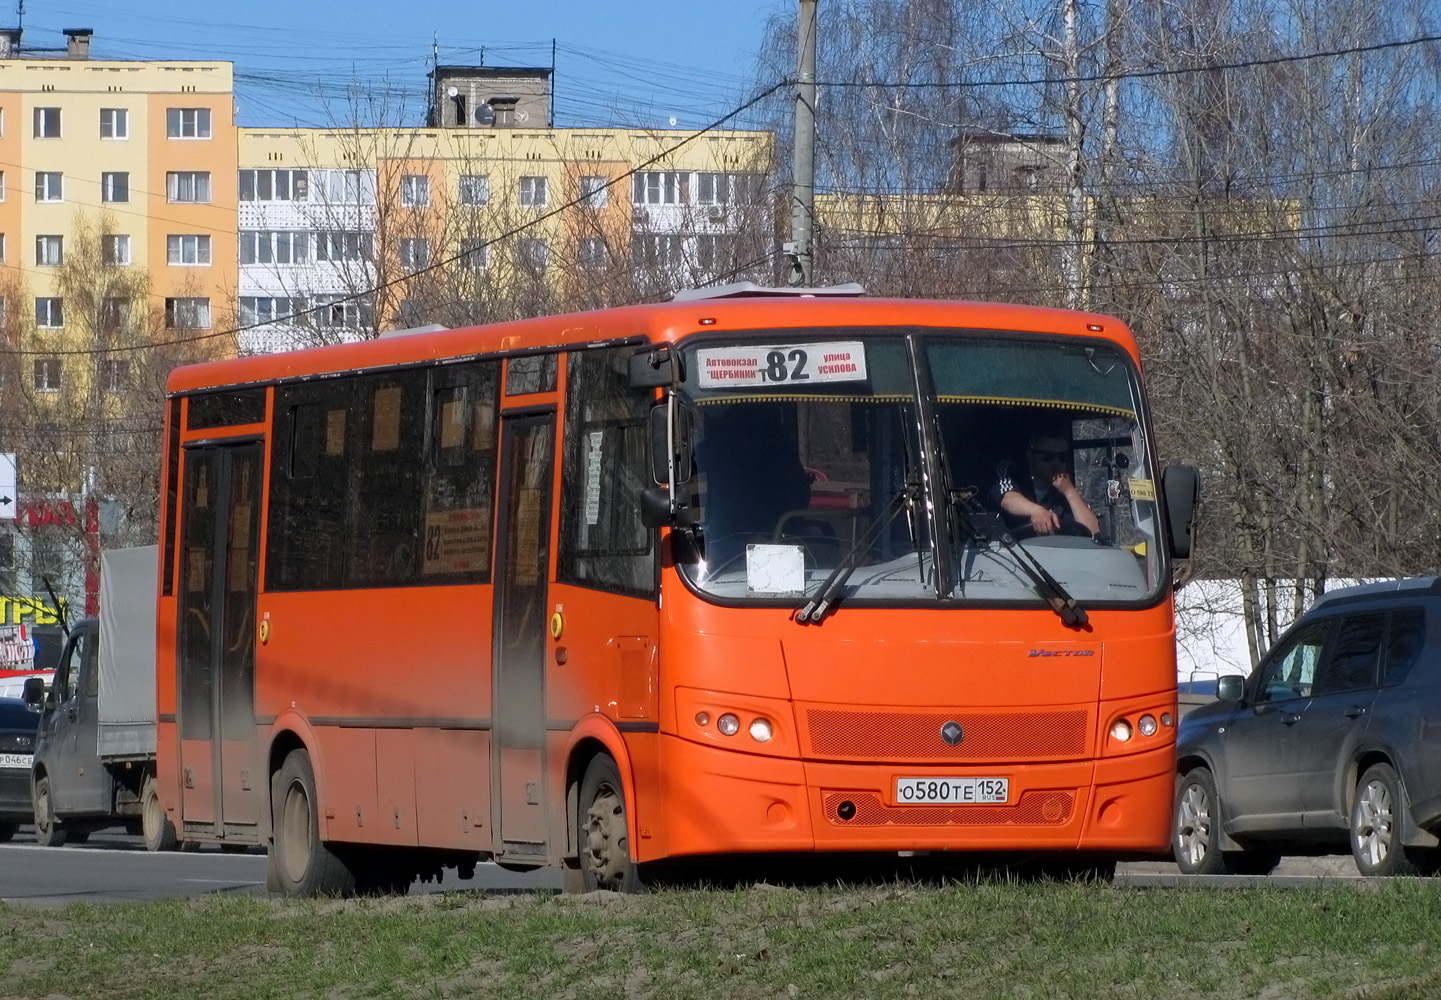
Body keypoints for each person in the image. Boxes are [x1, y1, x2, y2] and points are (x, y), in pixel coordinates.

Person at [991, 423, 1100, 539]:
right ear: (1030, 457)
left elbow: (1094, 534)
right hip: (1010, 552)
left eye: (1062, 457)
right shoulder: (1011, 472)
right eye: (1048, 456)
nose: (1056, 463)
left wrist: (1070, 492)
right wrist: (1037, 511)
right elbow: (1006, 498)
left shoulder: (1065, 489)